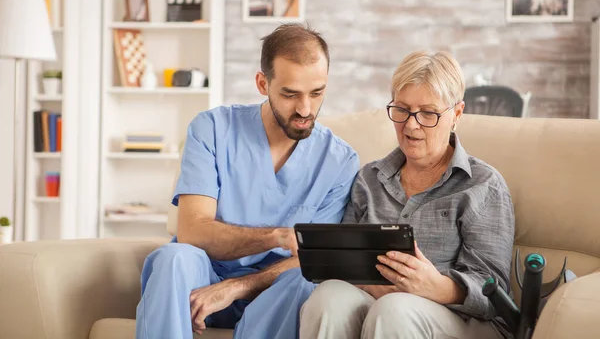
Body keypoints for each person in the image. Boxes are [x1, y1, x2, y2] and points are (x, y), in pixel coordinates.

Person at [135, 24, 359, 339]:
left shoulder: (340, 162)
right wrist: (277, 237)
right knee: (174, 258)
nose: (305, 109)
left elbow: (314, 260)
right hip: (202, 280)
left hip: (273, 295)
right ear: (262, 83)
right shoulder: (211, 129)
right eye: (290, 94)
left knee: (307, 280)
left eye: (317, 92)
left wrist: (238, 287)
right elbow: (192, 231)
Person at [299, 51, 515, 339]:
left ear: (457, 114)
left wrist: (435, 286)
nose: (411, 125)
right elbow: (343, 263)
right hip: (380, 305)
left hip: (460, 319)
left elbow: (492, 293)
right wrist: (370, 282)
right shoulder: (369, 180)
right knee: (328, 298)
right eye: (402, 109)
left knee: (394, 309)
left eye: (427, 113)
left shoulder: (483, 186)